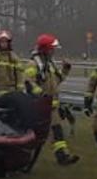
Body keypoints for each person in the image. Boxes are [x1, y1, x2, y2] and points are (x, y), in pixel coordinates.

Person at [28, 33, 78, 166]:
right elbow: (29, 83)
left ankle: (62, 156)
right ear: (45, 49)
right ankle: (25, 158)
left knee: (57, 132)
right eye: (51, 49)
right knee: (35, 136)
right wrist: (41, 94)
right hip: (40, 106)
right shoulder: (33, 64)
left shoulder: (50, 65)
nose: (53, 51)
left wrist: (65, 70)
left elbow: (56, 81)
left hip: (51, 107)